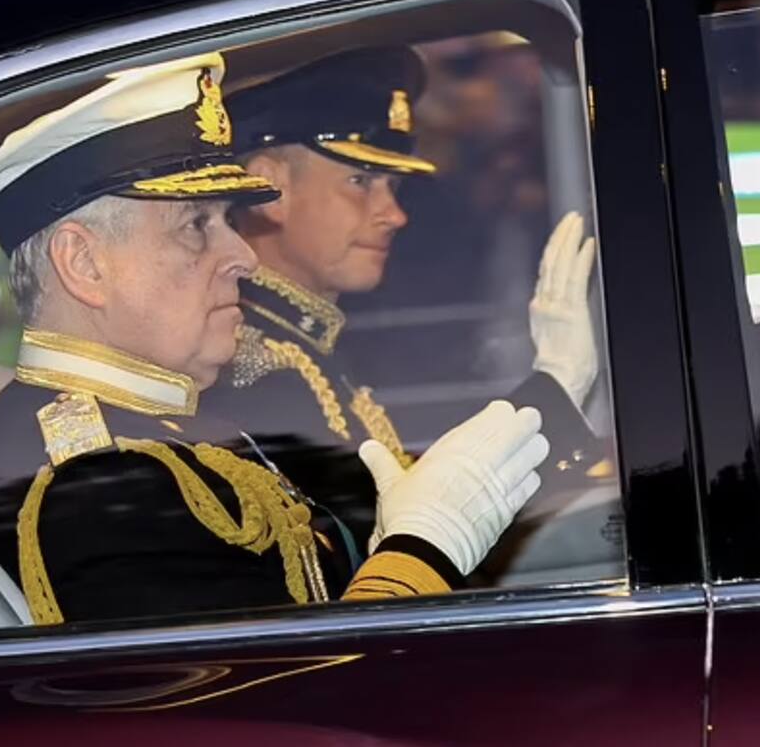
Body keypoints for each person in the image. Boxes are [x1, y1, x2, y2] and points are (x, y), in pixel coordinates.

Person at [0, 52, 550, 626]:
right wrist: (423, 548)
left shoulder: (164, 424)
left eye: (228, 222)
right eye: (196, 226)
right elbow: (283, 710)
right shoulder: (95, 476)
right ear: (84, 263)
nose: (240, 255)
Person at [212, 47, 601, 491]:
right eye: (360, 182)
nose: (395, 214)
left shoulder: (308, 349)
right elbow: (399, 536)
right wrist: (555, 387)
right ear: (272, 187)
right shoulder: (256, 369)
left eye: (392, 186)